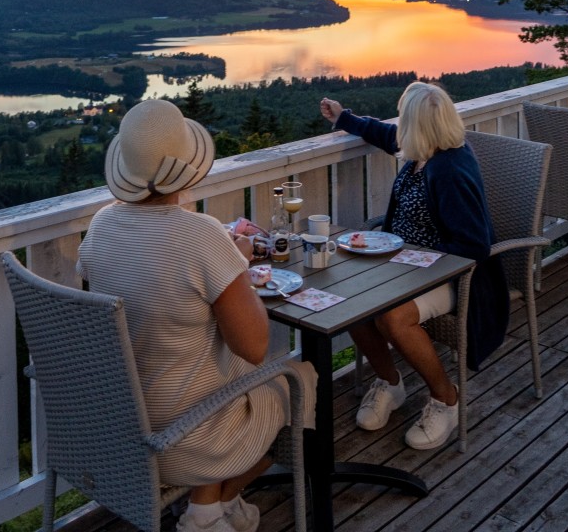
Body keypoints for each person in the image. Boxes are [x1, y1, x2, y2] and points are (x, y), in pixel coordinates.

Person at [78, 98, 316, 532]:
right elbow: (255, 345)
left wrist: (222, 256)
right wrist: (235, 264)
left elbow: (140, 280)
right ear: (187, 166)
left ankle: (213, 506)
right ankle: (209, 509)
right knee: (301, 377)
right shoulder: (201, 235)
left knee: (214, 368)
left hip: (116, 425)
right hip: (182, 437)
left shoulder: (102, 226)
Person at [320, 82, 509, 450]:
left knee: (393, 317)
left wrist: (408, 258)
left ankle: (446, 399)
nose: (399, 126)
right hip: (404, 266)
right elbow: (388, 135)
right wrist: (345, 118)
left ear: (419, 126)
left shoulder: (451, 169)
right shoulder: (424, 149)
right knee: (350, 299)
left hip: (451, 275)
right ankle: (390, 384)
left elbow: (473, 247)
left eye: (404, 118)